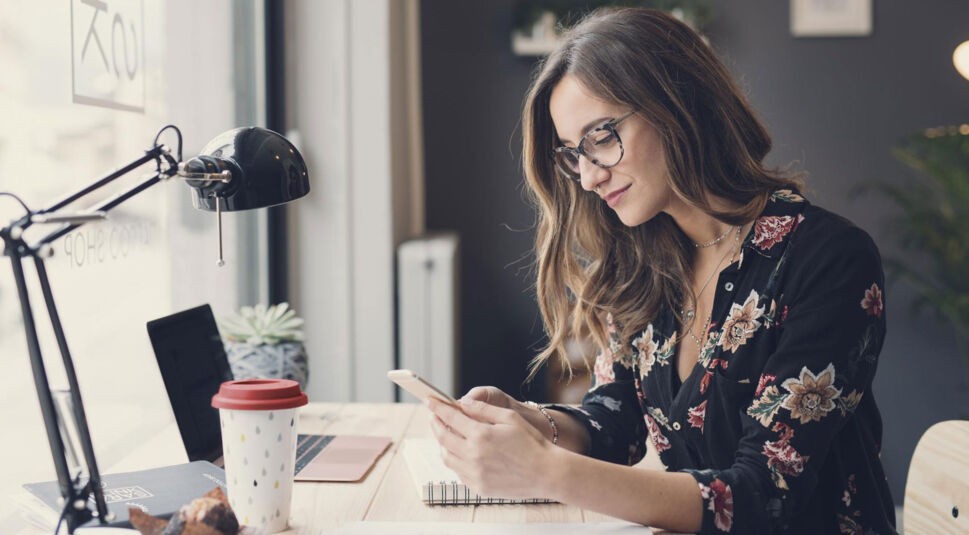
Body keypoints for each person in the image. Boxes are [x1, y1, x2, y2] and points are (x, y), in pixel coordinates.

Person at [426, 7, 895, 535]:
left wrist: (545, 470)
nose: (588, 177)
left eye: (601, 136)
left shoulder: (829, 260)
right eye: (574, 154)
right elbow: (615, 423)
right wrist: (532, 421)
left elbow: (763, 497)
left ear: (677, 103)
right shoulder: (639, 264)